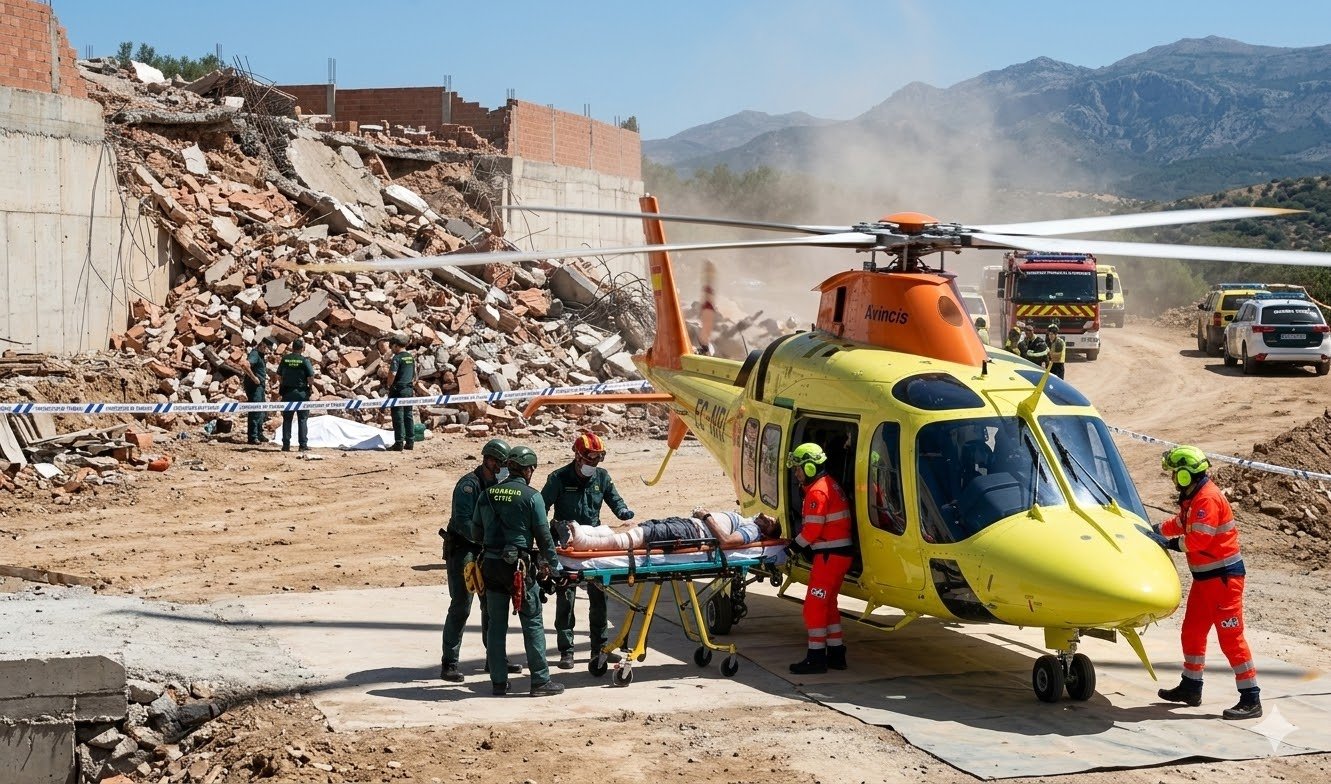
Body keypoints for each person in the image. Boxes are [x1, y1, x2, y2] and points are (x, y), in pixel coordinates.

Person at [1150, 446, 1261, 720]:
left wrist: (1169, 543)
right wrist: (1154, 530)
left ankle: (1251, 698)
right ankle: (1191, 687)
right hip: (1206, 581)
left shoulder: (1207, 499)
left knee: (1231, 640)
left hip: (1223, 581)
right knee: (1192, 632)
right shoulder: (1195, 497)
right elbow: (1182, 522)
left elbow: (1199, 539)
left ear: (1186, 475)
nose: (1174, 479)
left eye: (1175, 474)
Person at [474, 445, 564, 697]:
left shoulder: (487, 494)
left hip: (490, 566)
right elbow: (544, 537)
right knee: (532, 621)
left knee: (496, 625)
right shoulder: (532, 497)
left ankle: (499, 682)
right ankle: (540, 681)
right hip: (519, 570)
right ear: (528, 469)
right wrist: (554, 566)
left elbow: (475, 532)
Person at [540, 432, 634, 669]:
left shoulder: (602, 477)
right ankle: (567, 651)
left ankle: (599, 647)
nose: (594, 464)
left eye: (598, 459)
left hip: (593, 543)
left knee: (599, 596)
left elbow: (615, 500)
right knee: (566, 598)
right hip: (566, 544)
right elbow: (541, 508)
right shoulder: (558, 478)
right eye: (591, 458)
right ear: (578, 456)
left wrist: (624, 512)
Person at [439, 438, 522, 682]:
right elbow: (464, 522)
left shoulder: (500, 486)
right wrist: (489, 537)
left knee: (492, 606)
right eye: (502, 464)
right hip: (465, 549)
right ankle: (450, 662)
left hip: (487, 549)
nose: (505, 469)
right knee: (462, 605)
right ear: (489, 461)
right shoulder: (469, 486)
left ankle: (494, 658)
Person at [786, 442, 854, 674]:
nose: (796, 473)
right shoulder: (830, 485)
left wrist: (792, 548)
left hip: (828, 556)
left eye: (798, 468)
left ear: (810, 468)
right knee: (829, 606)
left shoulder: (817, 491)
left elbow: (812, 531)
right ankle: (836, 653)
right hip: (839, 556)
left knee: (813, 607)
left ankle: (816, 658)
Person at [566, 510, 779, 551]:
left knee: (641, 537)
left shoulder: (751, 530)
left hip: (692, 532)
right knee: (636, 528)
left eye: (771, 521)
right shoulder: (747, 521)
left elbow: (726, 541)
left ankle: (585, 541)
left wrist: (705, 516)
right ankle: (581, 534)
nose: (767, 516)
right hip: (688, 525)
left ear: (767, 531)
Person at [277, 338, 315, 452]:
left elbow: (278, 375)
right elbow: (311, 377)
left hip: (287, 392)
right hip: (301, 393)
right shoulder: (304, 361)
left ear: (292, 347)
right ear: (302, 348)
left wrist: (283, 384)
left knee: (287, 419)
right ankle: (302, 445)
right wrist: (311, 388)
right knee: (302, 419)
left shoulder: (285, 359)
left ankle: (286, 445)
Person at [384, 333, 417, 451]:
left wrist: (389, 384)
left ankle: (398, 443)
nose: (391, 349)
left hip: (398, 390)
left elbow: (392, 373)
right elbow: (415, 375)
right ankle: (410, 442)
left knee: (398, 416)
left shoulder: (397, 358)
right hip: (409, 389)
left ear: (396, 346)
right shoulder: (410, 357)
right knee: (408, 415)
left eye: (392, 346)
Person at [242, 338, 273, 445]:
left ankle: (259, 433)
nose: (268, 351)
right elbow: (245, 365)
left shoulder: (260, 355)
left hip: (260, 387)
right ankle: (253, 436)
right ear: (263, 345)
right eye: (267, 348)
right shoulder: (255, 354)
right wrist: (254, 378)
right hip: (254, 387)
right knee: (255, 410)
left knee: (260, 410)